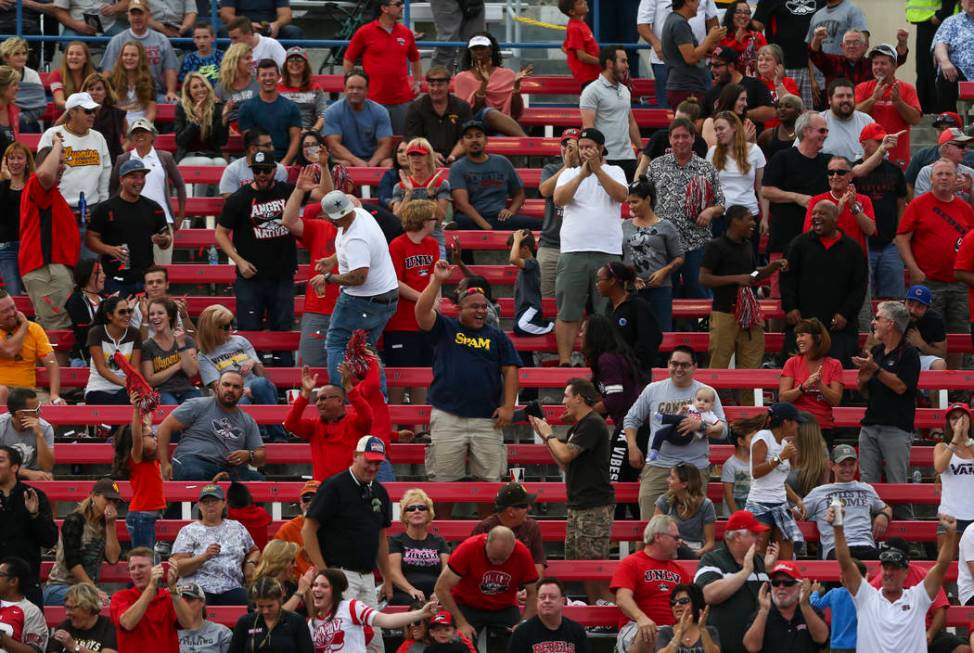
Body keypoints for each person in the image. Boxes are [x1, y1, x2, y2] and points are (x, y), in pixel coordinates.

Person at [414, 260, 520, 507]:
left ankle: (485, 540)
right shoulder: (446, 327)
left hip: (487, 420)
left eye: (484, 306)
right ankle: (444, 542)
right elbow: (421, 312)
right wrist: (437, 280)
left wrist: (508, 407)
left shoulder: (496, 336)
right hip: (448, 417)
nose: (481, 311)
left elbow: (511, 369)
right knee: (443, 486)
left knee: (490, 487)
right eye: (474, 307)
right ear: (459, 309)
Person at [301, 436, 393, 652]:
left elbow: (381, 537)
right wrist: (326, 574)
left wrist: (387, 578)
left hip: (368, 576)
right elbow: (308, 529)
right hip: (340, 572)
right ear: (355, 456)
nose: (372, 467)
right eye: (368, 461)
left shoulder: (379, 491)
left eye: (377, 463)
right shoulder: (334, 486)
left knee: (374, 641)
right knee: (342, 636)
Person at [531, 378, 615, 603]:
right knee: (580, 565)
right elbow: (565, 463)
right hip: (579, 504)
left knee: (594, 568)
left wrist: (549, 434)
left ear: (579, 397)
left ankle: (604, 614)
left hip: (594, 505)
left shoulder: (592, 423)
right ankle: (596, 611)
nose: (563, 401)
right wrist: (545, 438)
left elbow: (566, 454)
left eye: (566, 396)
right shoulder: (579, 426)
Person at [833, 503, 957, 653]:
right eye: (885, 567)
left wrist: (950, 536)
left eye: (895, 568)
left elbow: (942, 566)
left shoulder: (917, 597)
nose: (888, 573)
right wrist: (838, 526)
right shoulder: (867, 597)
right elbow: (845, 563)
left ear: (906, 572)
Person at [553, 126, 628, 365]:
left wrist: (597, 171)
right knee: (568, 309)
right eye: (582, 147)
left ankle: (603, 360)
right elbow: (559, 199)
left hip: (607, 250)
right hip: (573, 249)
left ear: (600, 149)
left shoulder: (615, 170)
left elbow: (621, 196)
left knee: (605, 311)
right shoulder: (569, 173)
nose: (584, 151)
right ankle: (565, 361)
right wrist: (582, 174)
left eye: (589, 148)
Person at [624, 346, 727, 518]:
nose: (679, 369)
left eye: (685, 365)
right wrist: (632, 446)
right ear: (668, 364)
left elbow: (723, 431)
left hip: (694, 468)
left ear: (694, 367)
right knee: (650, 526)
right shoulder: (653, 390)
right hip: (659, 466)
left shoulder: (707, 393)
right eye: (675, 364)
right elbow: (631, 419)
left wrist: (700, 426)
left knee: (690, 528)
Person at [216, 150, 297, 367]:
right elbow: (220, 233)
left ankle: (286, 386)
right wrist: (239, 261)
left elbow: (322, 194)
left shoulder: (288, 191)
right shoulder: (239, 198)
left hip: (282, 275)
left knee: (283, 332)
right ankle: (251, 381)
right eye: (257, 170)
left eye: (266, 170)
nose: (261, 174)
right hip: (250, 278)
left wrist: (324, 168)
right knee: (249, 334)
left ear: (275, 170)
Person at [699, 206, 785, 401]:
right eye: (749, 219)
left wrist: (769, 269)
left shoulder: (747, 245)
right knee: (718, 366)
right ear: (734, 221)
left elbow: (751, 275)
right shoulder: (716, 246)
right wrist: (737, 279)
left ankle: (749, 416)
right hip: (724, 313)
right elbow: (704, 279)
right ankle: (710, 412)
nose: (753, 223)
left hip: (750, 315)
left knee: (752, 367)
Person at [896, 159, 974, 365]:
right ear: (931, 179)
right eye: (939, 174)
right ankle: (929, 386)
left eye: (949, 174)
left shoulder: (965, 208)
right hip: (928, 282)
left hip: (959, 283)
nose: (944, 178)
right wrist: (913, 269)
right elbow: (902, 238)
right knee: (928, 334)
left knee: (958, 334)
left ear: (956, 178)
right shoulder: (918, 205)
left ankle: (956, 387)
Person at [317, 189, 399, 385]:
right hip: (386, 296)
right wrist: (332, 259)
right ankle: (378, 398)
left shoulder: (356, 239)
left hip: (363, 299)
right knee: (365, 347)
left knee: (337, 344)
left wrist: (329, 278)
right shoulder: (361, 213)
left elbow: (359, 277)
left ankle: (343, 396)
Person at [853, 300, 920, 521]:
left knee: (898, 486)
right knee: (867, 487)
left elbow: (901, 387)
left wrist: (875, 369)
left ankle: (909, 539)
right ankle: (867, 535)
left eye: (878, 318)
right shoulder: (877, 351)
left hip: (896, 428)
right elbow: (868, 393)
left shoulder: (909, 354)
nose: (873, 322)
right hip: (871, 425)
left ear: (890, 324)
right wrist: (862, 382)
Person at [781, 199, 868, 367]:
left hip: (839, 327)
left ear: (836, 218)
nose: (816, 217)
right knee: (796, 374)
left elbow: (859, 286)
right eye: (814, 213)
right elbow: (786, 279)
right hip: (803, 325)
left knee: (839, 377)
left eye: (822, 213)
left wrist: (845, 313)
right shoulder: (798, 244)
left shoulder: (853, 248)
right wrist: (790, 307)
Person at [646, 118, 726, 299]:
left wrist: (710, 211)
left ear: (693, 138)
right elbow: (645, 202)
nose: (680, 141)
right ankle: (669, 328)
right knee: (665, 293)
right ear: (669, 139)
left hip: (696, 242)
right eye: (676, 137)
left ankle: (698, 327)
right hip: (664, 244)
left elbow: (721, 204)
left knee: (698, 291)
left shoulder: (706, 168)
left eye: (685, 136)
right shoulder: (656, 166)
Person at [194, 306, 285, 441]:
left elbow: (264, 378)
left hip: (256, 386)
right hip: (232, 393)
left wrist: (254, 362)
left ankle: (278, 438)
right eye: (225, 326)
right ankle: (251, 440)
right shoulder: (204, 355)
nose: (230, 328)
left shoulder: (240, 341)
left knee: (260, 384)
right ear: (213, 329)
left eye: (232, 323)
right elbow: (218, 388)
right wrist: (241, 390)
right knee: (241, 401)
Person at [434, 527, 540, 642]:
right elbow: (441, 588)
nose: (498, 563)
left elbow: (533, 592)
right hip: (467, 604)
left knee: (518, 640)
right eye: (493, 558)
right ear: (485, 542)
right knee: (462, 642)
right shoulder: (468, 548)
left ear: (513, 548)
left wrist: (523, 623)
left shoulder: (522, 553)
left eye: (503, 559)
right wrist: (461, 623)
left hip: (504, 606)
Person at [694, 510, 777, 653]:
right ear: (737, 536)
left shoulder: (762, 561)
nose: (761, 538)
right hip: (722, 647)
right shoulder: (712, 559)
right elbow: (709, 594)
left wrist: (770, 573)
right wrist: (745, 572)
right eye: (755, 534)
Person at [88, 157, 171, 296]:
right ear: (121, 180)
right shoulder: (105, 208)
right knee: (116, 316)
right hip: (113, 278)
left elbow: (166, 241)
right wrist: (109, 249)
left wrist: (163, 240)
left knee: (145, 317)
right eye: (133, 177)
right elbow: (90, 239)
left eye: (142, 177)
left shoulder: (154, 208)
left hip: (144, 279)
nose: (139, 182)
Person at [761, 111, 831, 269]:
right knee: (780, 292)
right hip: (784, 241)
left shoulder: (828, 161)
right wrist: (796, 197)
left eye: (827, 131)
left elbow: (855, 171)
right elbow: (766, 191)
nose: (826, 134)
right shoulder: (782, 158)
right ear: (806, 131)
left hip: (818, 243)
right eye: (822, 130)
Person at [610, 515, 690, 653]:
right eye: (676, 538)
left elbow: (690, 603)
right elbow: (622, 598)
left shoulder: (680, 571)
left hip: (673, 630)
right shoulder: (631, 563)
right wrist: (641, 618)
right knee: (649, 635)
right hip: (637, 627)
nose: (680, 542)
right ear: (658, 537)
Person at [170, 484, 260, 606]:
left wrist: (250, 563)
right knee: (192, 603)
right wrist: (204, 557)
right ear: (199, 506)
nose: (210, 505)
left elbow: (254, 550)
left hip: (231, 586)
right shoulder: (188, 531)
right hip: (197, 587)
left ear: (224, 503)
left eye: (214, 501)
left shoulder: (237, 527)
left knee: (251, 604)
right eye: (206, 502)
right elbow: (179, 568)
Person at [307, 568, 437, 653]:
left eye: (324, 586)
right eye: (315, 585)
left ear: (335, 590)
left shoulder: (350, 607)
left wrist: (420, 613)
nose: (316, 589)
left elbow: (386, 620)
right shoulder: (312, 623)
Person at [342, 0, 422, 135]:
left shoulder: (406, 33)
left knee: (401, 141)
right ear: (384, 8)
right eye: (397, 4)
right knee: (371, 140)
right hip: (373, 99)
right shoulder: (364, 32)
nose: (402, 7)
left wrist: (417, 82)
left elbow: (415, 58)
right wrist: (353, 84)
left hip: (401, 99)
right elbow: (348, 59)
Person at [111, 119, 185, 264]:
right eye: (135, 133)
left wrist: (180, 216)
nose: (139, 135)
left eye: (143, 131)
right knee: (131, 268)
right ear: (130, 138)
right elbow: (113, 187)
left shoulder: (165, 157)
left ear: (153, 135)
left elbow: (180, 186)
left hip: (161, 221)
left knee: (161, 269)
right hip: (128, 220)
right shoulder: (123, 159)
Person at [284, 363, 372, 482]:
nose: (318, 403)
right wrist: (305, 394)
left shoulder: (354, 422)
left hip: (350, 488)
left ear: (339, 401)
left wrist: (349, 388)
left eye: (323, 398)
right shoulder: (314, 426)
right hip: (323, 490)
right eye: (317, 399)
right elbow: (290, 424)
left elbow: (367, 416)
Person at [802, 444, 891, 560]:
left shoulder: (866, 488)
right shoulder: (819, 492)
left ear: (857, 465)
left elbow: (886, 508)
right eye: (842, 465)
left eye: (851, 464)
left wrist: (883, 515)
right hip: (836, 548)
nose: (848, 469)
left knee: (894, 560)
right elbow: (798, 512)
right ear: (832, 465)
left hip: (866, 546)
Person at [43, 476, 121, 606]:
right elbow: (72, 562)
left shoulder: (105, 525)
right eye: (107, 499)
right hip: (60, 587)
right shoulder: (75, 520)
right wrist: (93, 590)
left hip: (86, 590)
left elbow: (113, 558)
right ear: (93, 496)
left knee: (112, 605)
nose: (111, 505)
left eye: (115, 502)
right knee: (93, 603)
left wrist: (111, 525)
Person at [746, 402, 809, 563]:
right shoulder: (762, 437)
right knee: (758, 558)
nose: (797, 426)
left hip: (780, 505)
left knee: (785, 560)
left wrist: (797, 500)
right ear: (785, 422)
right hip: (760, 504)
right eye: (796, 422)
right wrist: (781, 457)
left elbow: (780, 481)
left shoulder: (784, 444)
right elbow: (756, 472)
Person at [622, 175, 685, 332]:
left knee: (661, 332)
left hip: (660, 289)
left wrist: (664, 271)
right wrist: (629, 277)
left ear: (648, 200)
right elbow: (618, 257)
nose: (631, 206)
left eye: (635, 202)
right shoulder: (624, 226)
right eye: (629, 202)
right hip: (631, 289)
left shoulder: (666, 226)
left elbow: (679, 257)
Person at [37, 92, 112, 221]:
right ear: (72, 112)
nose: (93, 115)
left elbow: (106, 170)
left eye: (94, 111)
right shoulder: (52, 135)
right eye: (88, 111)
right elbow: (41, 171)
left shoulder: (98, 137)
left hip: (92, 209)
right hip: (59, 207)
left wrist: (102, 205)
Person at [448, 120, 534, 231]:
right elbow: (461, 204)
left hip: (499, 218)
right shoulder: (457, 167)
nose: (474, 140)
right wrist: (485, 225)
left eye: (478, 136)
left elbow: (519, 194)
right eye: (469, 137)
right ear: (462, 142)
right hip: (471, 219)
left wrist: (510, 212)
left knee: (539, 225)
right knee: (460, 222)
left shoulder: (502, 162)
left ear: (486, 140)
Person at [856, 123, 909, 299]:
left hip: (889, 244)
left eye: (883, 141)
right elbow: (858, 173)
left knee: (893, 300)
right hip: (863, 244)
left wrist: (899, 234)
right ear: (863, 143)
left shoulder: (894, 169)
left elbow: (901, 203)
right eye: (878, 141)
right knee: (864, 298)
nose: (882, 145)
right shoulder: (851, 167)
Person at [0, 446, 56, 610]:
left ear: (15, 467)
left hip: (27, 584)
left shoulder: (33, 495)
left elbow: (50, 539)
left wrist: (35, 515)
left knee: (31, 634)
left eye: (1, 460)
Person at [110, 547, 193, 652]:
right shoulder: (120, 597)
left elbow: (189, 623)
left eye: (141, 566)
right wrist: (151, 586)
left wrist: (173, 589)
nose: (136, 572)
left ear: (156, 568)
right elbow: (127, 623)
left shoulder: (168, 596)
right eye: (132, 568)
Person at [854, 44, 921, 168]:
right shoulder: (862, 88)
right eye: (875, 63)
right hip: (867, 158)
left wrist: (898, 102)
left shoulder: (907, 89)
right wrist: (873, 99)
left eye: (883, 63)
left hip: (897, 158)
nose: (878, 67)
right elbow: (853, 116)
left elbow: (915, 119)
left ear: (894, 66)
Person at [580, 47, 641, 180]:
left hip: (628, 158)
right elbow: (589, 128)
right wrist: (599, 158)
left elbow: (631, 122)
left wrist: (641, 149)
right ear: (609, 63)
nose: (627, 66)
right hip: (606, 159)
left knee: (630, 199)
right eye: (623, 61)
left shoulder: (625, 90)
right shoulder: (591, 91)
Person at [101, 0, 179, 104]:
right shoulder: (117, 40)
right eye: (133, 14)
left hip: (155, 93)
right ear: (128, 16)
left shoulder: (161, 39)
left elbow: (170, 69)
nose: (137, 18)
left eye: (140, 14)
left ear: (148, 15)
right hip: (123, 93)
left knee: (176, 104)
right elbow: (107, 71)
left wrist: (171, 92)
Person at [742, 560, 829, 652]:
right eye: (776, 583)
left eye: (788, 583)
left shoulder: (811, 611)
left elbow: (822, 638)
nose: (781, 587)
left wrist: (804, 605)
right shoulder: (762, 614)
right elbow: (751, 647)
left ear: (799, 586)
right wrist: (763, 611)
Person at [779, 318, 844, 440]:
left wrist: (820, 385)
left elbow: (836, 400)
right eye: (797, 336)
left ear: (817, 338)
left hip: (822, 428)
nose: (798, 340)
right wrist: (803, 387)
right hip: (796, 427)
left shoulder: (834, 364)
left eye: (802, 335)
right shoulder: (792, 363)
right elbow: (783, 398)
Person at [452, 33, 528, 138]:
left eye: (482, 48)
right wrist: (484, 84)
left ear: (491, 50)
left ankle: (528, 147)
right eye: (475, 48)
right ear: (470, 52)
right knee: (488, 112)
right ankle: (528, 142)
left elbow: (515, 112)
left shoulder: (508, 75)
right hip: (473, 124)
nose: (478, 51)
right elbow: (468, 112)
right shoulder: (462, 78)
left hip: (502, 124)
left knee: (502, 139)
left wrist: (516, 87)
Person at [706, 110, 766, 239]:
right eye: (715, 130)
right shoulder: (712, 152)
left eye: (721, 128)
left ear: (734, 127)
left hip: (748, 214)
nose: (717, 133)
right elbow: (708, 188)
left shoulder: (755, 151)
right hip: (721, 216)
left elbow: (761, 188)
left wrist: (765, 218)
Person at [595, 261, 663, 373]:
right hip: (613, 368)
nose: (597, 284)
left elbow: (651, 339)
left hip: (636, 371)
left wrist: (632, 362)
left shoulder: (638, 305)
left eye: (599, 280)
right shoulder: (609, 307)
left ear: (612, 281)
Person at [386, 488, 449, 606]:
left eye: (422, 508)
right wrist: (411, 590)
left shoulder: (439, 541)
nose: (416, 511)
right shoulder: (395, 541)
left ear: (429, 513)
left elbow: (446, 572)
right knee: (415, 604)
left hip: (436, 593)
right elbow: (394, 572)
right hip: (405, 593)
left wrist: (439, 591)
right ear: (404, 515)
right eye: (411, 508)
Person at [470, 483, 547, 577]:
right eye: (525, 505)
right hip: (491, 584)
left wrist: (530, 589)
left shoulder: (531, 526)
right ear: (511, 511)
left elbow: (538, 564)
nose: (529, 508)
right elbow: (473, 566)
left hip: (523, 586)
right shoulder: (483, 529)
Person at [0, 292, 62, 406]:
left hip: (28, 391)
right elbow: (9, 351)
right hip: (2, 389)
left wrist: (54, 394)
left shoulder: (35, 329)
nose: (12, 313)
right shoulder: (27, 326)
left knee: (54, 408)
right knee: (1, 392)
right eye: (5, 311)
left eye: (13, 307)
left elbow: (52, 363)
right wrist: (24, 326)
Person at [662, 0, 727, 108]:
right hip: (686, 87)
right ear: (687, 2)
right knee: (690, 124)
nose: (698, 4)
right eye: (697, 1)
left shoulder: (675, 20)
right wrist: (710, 38)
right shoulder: (679, 23)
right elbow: (690, 57)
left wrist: (708, 47)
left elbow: (688, 54)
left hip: (685, 86)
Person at [238, 59, 302, 164]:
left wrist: (284, 164)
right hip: (257, 163)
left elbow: (295, 138)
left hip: (284, 162)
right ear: (257, 78)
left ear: (278, 77)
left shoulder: (291, 107)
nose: (268, 78)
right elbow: (249, 143)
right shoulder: (246, 108)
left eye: (271, 74)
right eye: (264, 75)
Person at [227, 577, 313, 653]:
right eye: (260, 606)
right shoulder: (245, 622)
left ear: (280, 599)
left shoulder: (296, 621)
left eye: (270, 606)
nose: (265, 611)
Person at [140, 297, 201, 405]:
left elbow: (191, 371)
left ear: (169, 316)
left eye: (160, 313)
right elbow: (150, 380)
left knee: (198, 403)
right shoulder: (147, 346)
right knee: (171, 406)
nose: (155, 317)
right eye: (152, 314)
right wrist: (177, 365)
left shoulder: (186, 340)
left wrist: (181, 345)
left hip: (186, 389)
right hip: (161, 392)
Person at [83, 296, 142, 405]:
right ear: (110, 315)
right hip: (99, 387)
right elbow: (101, 369)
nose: (127, 315)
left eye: (129, 311)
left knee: (130, 398)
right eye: (122, 312)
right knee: (102, 400)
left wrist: (129, 385)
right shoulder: (96, 333)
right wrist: (124, 383)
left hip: (126, 388)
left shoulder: (135, 334)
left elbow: (135, 368)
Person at [506, 577, 590, 653]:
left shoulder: (577, 631)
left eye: (552, 597)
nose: (547, 601)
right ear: (537, 601)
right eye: (542, 597)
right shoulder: (521, 633)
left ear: (562, 601)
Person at [654, 463, 717, 559]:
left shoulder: (706, 505)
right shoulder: (664, 501)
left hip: (695, 553)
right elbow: (656, 533)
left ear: (684, 484)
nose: (667, 480)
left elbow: (710, 543)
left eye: (672, 478)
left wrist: (697, 553)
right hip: (668, 551)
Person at [934, 403, 974, 549]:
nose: (958, 421)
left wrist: (966, 439)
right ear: (948, 423)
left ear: (969, 420)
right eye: (953, 418)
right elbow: (939, 467)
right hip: (950, 516)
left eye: (962, 417)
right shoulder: (942, 447)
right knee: (946, 564)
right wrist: (956, 439)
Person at [174, 72, 229, 177]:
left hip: (211, 155)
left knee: (222, 163)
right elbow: (180, 141)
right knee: (206, 163)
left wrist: (224, 119)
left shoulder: (216, 107)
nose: (200, 89)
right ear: (188, 91)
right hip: (187, 156)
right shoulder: (182, 107)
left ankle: (219, 194)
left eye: (203, 85)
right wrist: (196, 121)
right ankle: (197, 195)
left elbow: (222, 141)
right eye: (195, 87)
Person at [649, 389, 724, 464]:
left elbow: (720, 426)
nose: (702, 403)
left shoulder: (709, 415)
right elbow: (676, 418)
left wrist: (710, 428)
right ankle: (654, 451)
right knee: (660, 432)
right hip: (677, 432)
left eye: (706, 401)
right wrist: (680, 411)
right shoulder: (690, 407)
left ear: (712, 405)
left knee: (686, 419)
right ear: (694, 400)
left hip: (689, 436)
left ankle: (663, 418)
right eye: (699, 400)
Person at [48, 582, 118, 653]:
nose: (67, 613)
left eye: (71, 608)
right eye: (66, 607)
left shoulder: (108, 626)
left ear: (87, 608)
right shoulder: (65, 627)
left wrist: (74, 647)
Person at [0, 388, 53, 482]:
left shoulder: (45, 428)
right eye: (36, 410)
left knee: (47, 478)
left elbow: (47, 467)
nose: (40, 412)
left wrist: (39, 435)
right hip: (4, 475)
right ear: (20, 414)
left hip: (33, 477)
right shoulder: (2, 425)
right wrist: (27, 473)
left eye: (40, 407)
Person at [818, 79, 876, 161]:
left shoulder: (866, 121)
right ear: (830, 100)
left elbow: (880, 153)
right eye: (840, 96)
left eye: (849, 96)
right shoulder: (817, 121)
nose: (845, 100)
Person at [218, 127, 287, 197]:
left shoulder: (279, 169)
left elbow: (280, 198)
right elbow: (229, 201)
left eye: (271, 144)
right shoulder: (233, 170)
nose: (272, 148)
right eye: (267, 145)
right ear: (253, 149)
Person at [272, 480, 320, 577]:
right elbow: (275, 559)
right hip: (296, 581)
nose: (310, 502)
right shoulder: (288, 529)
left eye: (315, 498)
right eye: (306, 498)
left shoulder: (334, 527)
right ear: (300, 502)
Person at [653, 583, 719, 653]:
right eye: (673, 602)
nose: (677, 605)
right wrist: (680, 633)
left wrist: (703, 630)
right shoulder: (665, 632)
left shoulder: (710, 631)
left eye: (683, 601)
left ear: (696, 603)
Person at [914, 128, 974, 203]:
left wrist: (971, 190)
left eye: (966, 146)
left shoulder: (970, 172)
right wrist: (949, 190)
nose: (966, 149)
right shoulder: (927, 171)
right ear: (946, 148)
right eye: (961, 146)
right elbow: (921, 205)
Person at [174, 582, 232, 653]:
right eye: (181, 601)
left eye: (189, 599)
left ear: (202, 602)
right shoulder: (169, 633)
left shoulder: (222, 633)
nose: (184, 605)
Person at [904, 284, 949, 375]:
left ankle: (933, 389)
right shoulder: (892, 313)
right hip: (892, 356)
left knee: (939, 364)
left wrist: (922, 344)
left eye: (919, 307)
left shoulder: (934, 320)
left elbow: (942, 354)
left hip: (919, 357)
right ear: (904, 302)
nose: (912, 310)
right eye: (910, 304)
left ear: (927, 308)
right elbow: (870, 344)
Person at [279, 47, 326, 133]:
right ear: (286, 65)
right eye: (291, 60)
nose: (295, 63)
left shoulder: (316, 87)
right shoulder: (277, 88)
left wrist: (312, 132)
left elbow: (322, 115)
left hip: (309, 132)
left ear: (306, 65)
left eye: (299, 60)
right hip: (283, 131)